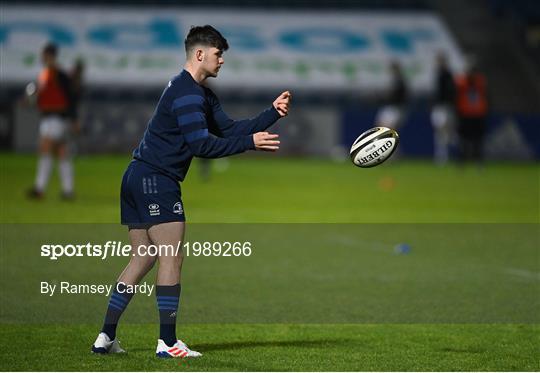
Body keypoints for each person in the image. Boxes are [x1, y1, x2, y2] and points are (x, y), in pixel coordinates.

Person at [91, 25, 291, 358]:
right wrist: (249, 144)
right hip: (157, 180)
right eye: (218, 54)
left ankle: (106, 336)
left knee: (143, 258)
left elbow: (228, 129)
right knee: (172, 256)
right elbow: (201, 145)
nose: (222, 60)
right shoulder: (187, 93)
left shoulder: (197, 92)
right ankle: (167, 343)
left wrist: (271, 115)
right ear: (200, 54)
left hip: (136, 176)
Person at [27, 43, 77, 200]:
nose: (41, 57)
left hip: (55, 118)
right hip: (51, 118)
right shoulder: (46, 74)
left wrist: (73, 118)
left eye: (43, 54)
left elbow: (70, 97)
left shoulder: (58, 74)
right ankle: (68, 190)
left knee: (45, 148)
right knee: (61, 152)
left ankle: (40, 188)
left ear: (49, 55)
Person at [455, 60, 488, 164]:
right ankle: (463, 158)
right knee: (464, 138)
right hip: (465, 113)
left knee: (477, 138)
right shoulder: (462, 81)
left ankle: (478, 159)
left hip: (477, 113)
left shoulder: (479, 81)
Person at [431, 52, 456, 165]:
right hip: (439, 107)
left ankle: (446, 153)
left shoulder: (447, 75)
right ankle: (442, 156)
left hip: (445, 107)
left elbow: (450, 92)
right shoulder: (438, 74)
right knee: (440, 131)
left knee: (444, 131)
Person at [375, 60, 408, 129]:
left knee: (388, 128)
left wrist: (387, 95)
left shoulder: (400, 81)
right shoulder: (396, 80)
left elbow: (398, 95)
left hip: (394, 108)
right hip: (391, 107)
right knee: (380, 127)